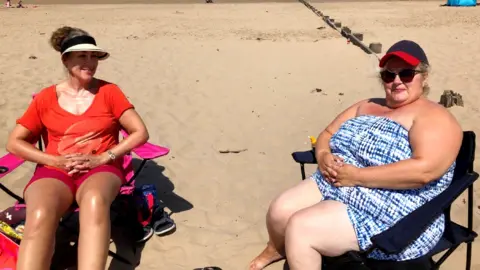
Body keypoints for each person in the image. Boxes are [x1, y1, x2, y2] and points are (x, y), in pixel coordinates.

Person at [248, 40, 463, 270]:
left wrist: (358, 176)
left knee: (301, 228)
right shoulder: (367, 105)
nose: (397, 81)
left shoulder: (433, 116)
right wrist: (322, 155)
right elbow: (328, 133)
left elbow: (424, 171)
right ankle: (275, 250)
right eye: (389, 75)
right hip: (338, 181)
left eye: (407, 74)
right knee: (280, 211)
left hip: (393, 204)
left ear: (424, 76)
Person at [6, 26, 149, 270]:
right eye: (82, 56)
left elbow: (140, 132)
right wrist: (53, 160)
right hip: (54, 169)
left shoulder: (110, 92)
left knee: (94, 201)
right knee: (39, 212)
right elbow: (14, 142)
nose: (90, 63)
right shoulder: (45, 98)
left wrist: (104, 157)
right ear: (66, 59)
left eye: (94, 57)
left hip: (100, 168)